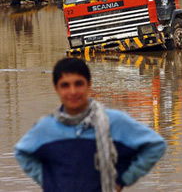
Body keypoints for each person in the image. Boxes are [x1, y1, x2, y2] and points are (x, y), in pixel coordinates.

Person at [15, 58, 166, 192]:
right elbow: (22, 152)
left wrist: (122, 180)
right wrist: (49, 182)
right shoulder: (46, 128)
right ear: (56, 89)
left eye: (78, 84)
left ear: (89, 85)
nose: (72, 91)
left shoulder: (114, 121)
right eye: (65, 85)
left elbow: (155, 145)